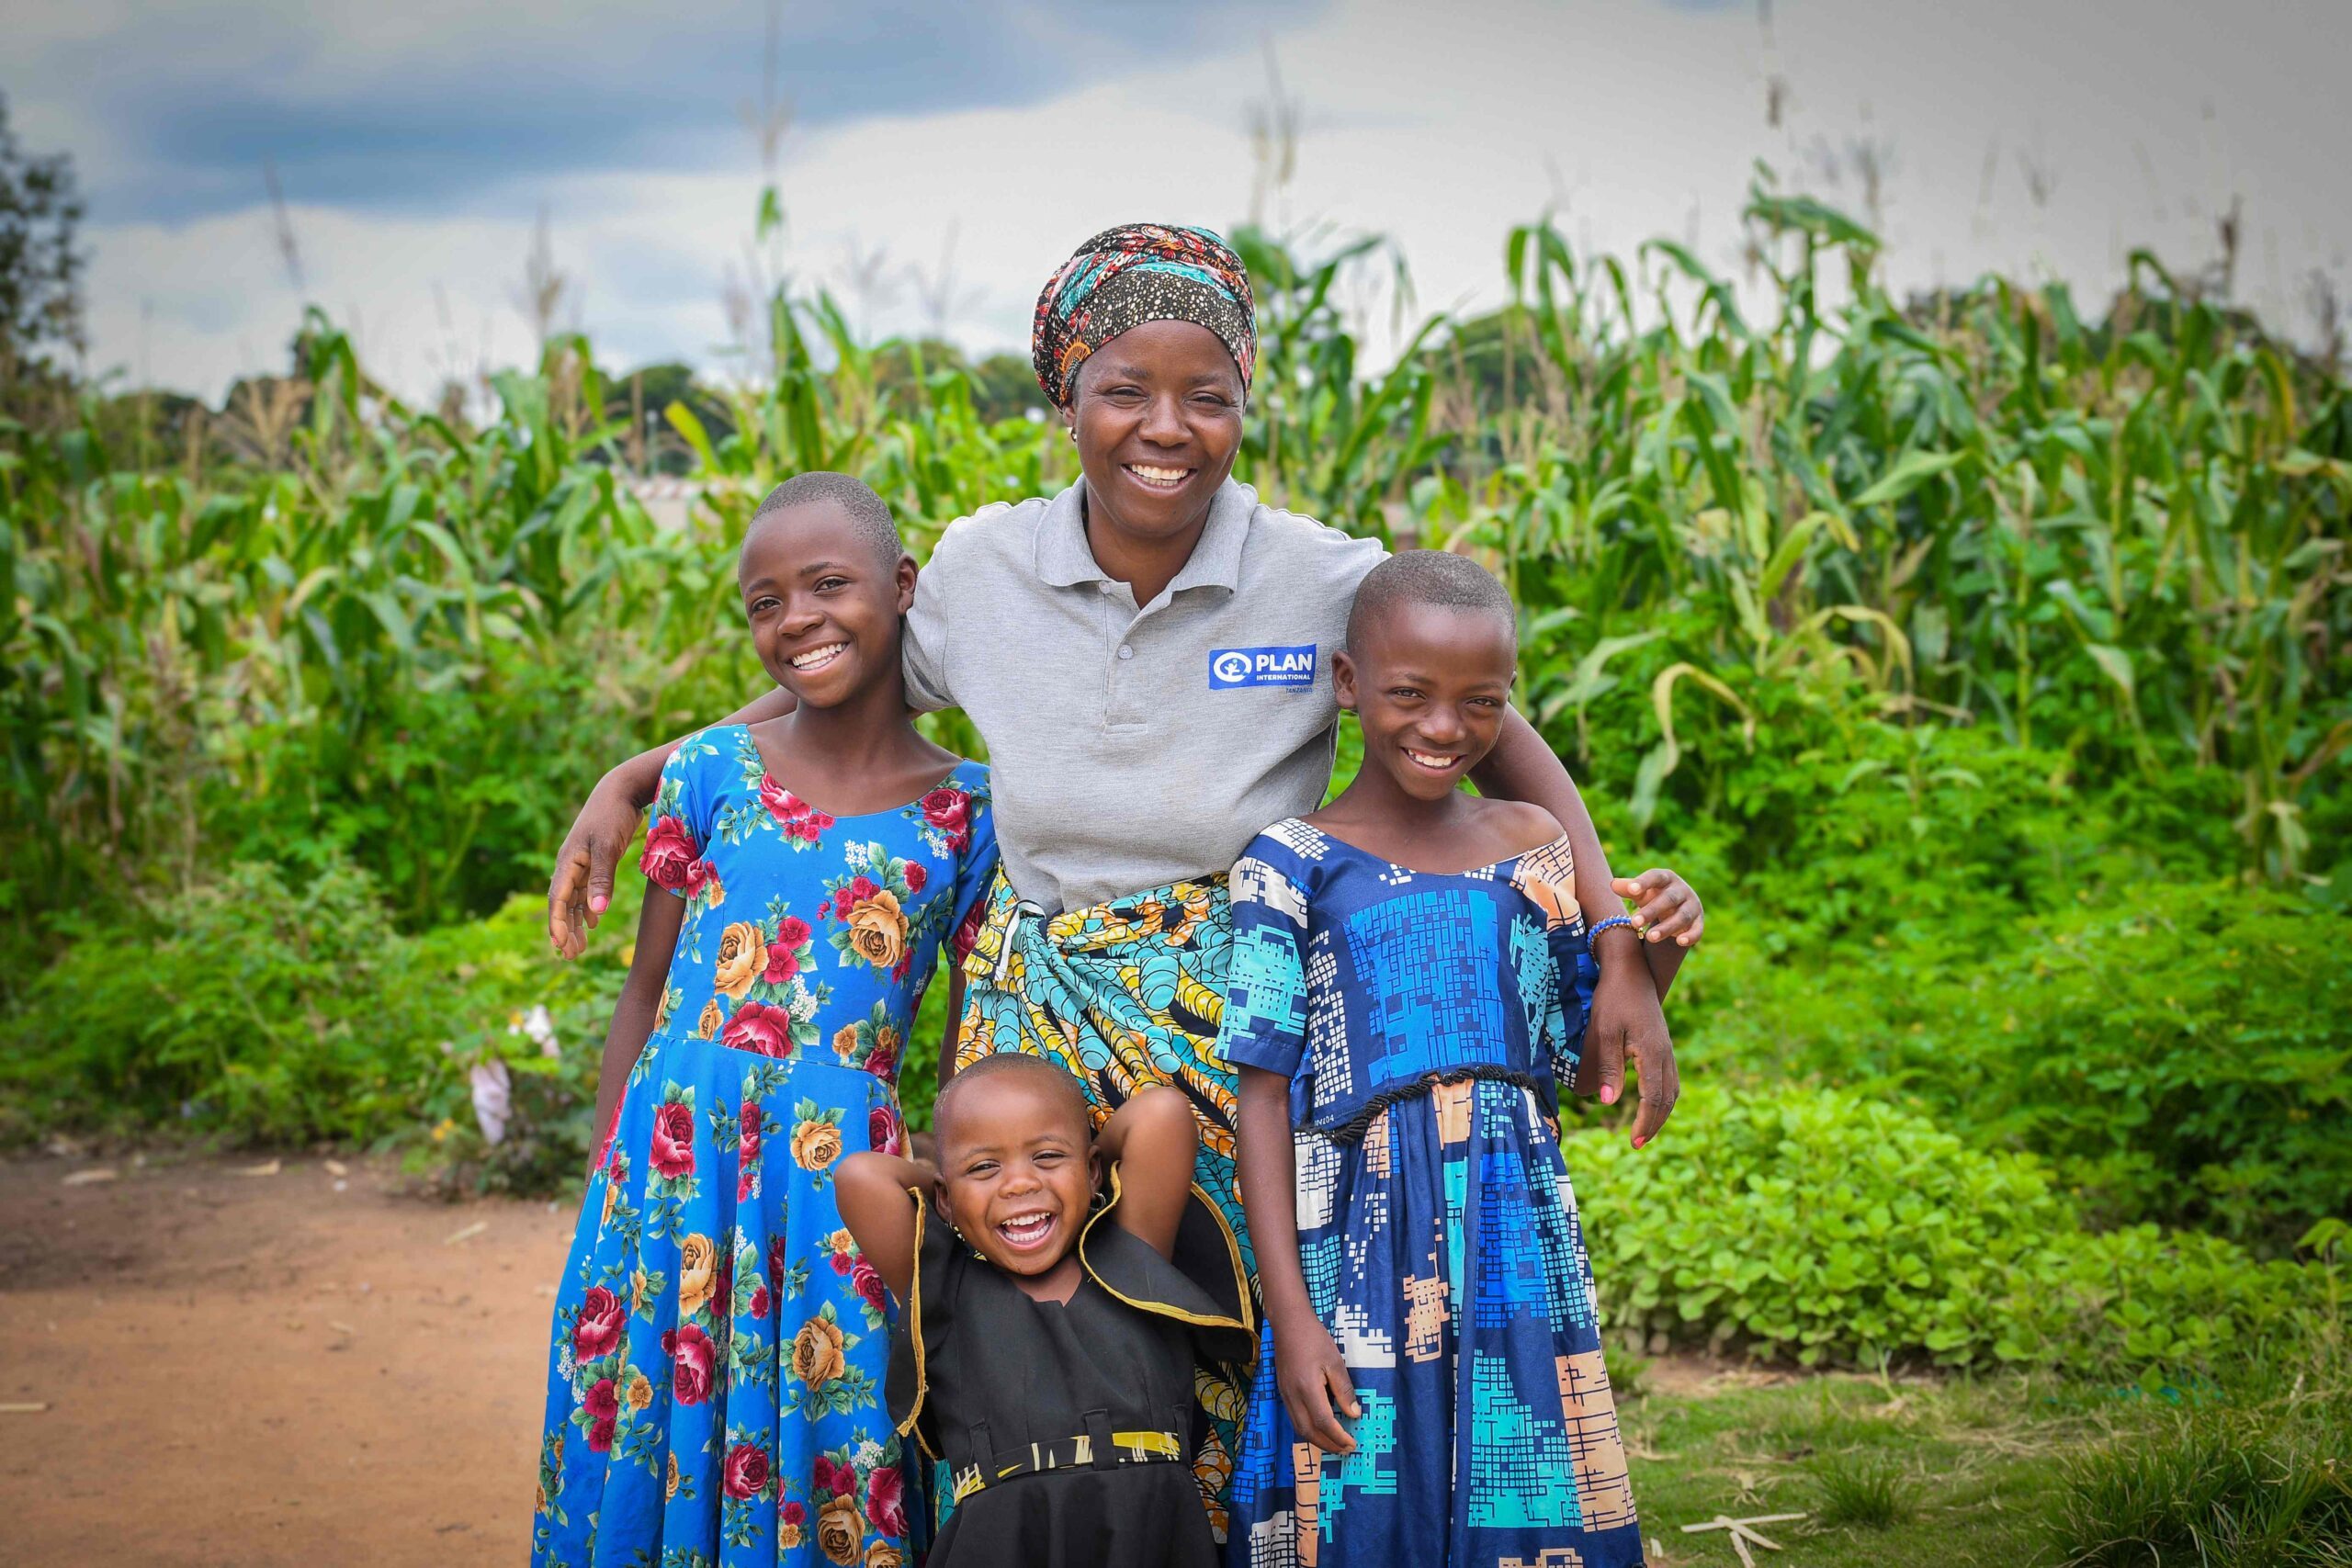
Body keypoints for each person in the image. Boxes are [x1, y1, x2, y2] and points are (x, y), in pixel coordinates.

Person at [547, 222, 1703, 1535]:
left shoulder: (1319, 575)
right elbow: (838, 675)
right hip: (1029, 1029)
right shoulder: (987, 567)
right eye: (1126, 391)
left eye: (1208, 394)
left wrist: (1612, 934)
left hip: (1238, 1021)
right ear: (1068, 401)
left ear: (1245, 405)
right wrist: (642, 770)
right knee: (1011, 1340)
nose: (1169, 426)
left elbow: (1490, 723)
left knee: (1223, 1338)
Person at [530, 473, 1000, 1568]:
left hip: (842, 1185)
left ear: (902, 587)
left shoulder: (972, 810)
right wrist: (611, 1176)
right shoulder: (708, 772)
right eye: (763, 603)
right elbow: (645, 999)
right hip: (672, 1169)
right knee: (649, 1422)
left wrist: (941, 1195)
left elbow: (958, 1047)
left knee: (836, 1436)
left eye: (827, 585)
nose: (795, 619)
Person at [1220, 552, 1668, 1568]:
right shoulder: (1291, 862)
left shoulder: (1533, 843)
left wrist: (1652, 951)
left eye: (1481, 703)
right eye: (1408, 694)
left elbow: (1585, 1052)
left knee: (1523, 1472)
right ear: (1347, 685)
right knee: (1361, 1486)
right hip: (1354, 1239)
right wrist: (1291, 1318)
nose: (1442, 727)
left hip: (1513, 1239)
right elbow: (1259, 1100)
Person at [837, 1059, 1254, 1567]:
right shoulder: (947, 1289)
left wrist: (984, 1181)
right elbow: (860, 1176)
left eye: (1047, 1156)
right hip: (1003, 1545)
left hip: (1151, 1534)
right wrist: (952, 1197)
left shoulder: (1130, 1254)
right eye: (985, 1167)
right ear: (942, 1197)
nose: (1018, 1184)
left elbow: (1161, 1113)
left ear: (1094, 1168)